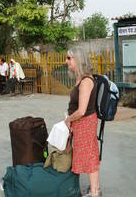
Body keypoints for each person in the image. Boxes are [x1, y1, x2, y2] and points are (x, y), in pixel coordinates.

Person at [64, 46, 101, 197]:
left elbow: (81, 110)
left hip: (85, 123)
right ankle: (95, 189)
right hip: (80, 123)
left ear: (77, 60)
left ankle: (94, 192)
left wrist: (68, 119)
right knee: (86, 155)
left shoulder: (86, 81)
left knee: (90, 156)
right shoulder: (80, 78)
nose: (66, 61)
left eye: (69, 58)